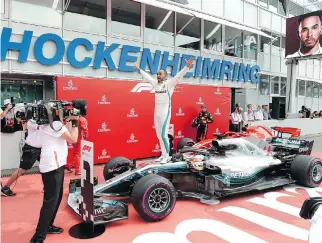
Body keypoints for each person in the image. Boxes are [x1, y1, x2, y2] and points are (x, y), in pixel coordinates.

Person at [30, 107, 79, 243]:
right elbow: (73, 138)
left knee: (55, 199)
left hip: (55, 164)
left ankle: (48, 225)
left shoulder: (47, 124)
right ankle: (38, 238)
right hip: (53, 166)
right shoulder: (55, 125)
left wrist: (67, 119)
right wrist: (75, 122)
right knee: (50, 201)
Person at [134, 59, 194, 164]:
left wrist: (187, 67)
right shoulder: (156, 84)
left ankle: (167, 156)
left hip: (165, 111)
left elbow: (178, 76)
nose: (158, 75)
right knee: (158, 134)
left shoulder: (169, 84)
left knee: (163, 134)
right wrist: (140, 71)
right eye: (157, 74)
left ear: (165, 76)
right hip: (156, 111)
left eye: (160, 74)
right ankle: (163, 155)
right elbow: (148, 78)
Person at [1, 119, 42, 197]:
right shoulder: (31, 121)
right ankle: (5, 188)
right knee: (22, 170)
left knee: (46, 168)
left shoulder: (45, 120)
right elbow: (41, 127)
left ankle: (47, 187)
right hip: (31, 148)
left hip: (42, 148)